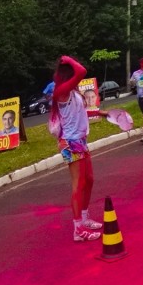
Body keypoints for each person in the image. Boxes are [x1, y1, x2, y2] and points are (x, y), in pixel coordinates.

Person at [49, 54, 109, 241]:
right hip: (70, 142)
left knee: (89, 180)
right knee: (78, 184)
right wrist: (68, 60)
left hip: (80, 141)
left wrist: (100, 112)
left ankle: (84, 218)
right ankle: (78, 229)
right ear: (69, 75)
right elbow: (82, 71)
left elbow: (78, 112)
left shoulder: (73, 92)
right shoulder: (61, 91)